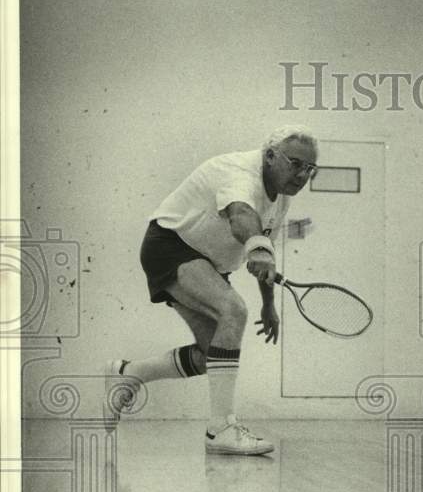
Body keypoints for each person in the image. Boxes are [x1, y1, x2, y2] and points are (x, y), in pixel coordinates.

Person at [103, 126, 319, 455]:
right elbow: (241, 217)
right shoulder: (240, 174)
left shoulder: (282, 199)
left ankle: (128, 373)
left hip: (207, 263)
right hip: (171, 245)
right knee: (233, 311)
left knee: (212, 356)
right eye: (295, 163)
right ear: (270, 155)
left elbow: (265, 245)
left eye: (309, 168)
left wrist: (268, 304)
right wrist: (257, 249)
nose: (302, 174)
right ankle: (220, 430)